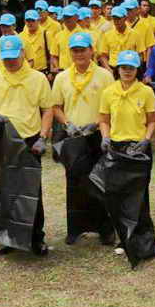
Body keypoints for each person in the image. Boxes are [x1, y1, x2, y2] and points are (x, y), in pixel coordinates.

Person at [0, 34, 53, 256]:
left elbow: (47, 109)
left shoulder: (38, 78)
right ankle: (8, 237)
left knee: (32, 189)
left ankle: (36, 237)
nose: (10, 62)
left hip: (29, 139)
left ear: (23, 53)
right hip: (3, 140)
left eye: (14, 57)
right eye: (6, 58)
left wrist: (43, 137)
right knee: (6, 188)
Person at [51, 32, 115, 245]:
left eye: (83, 50)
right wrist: (67, 124)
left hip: (97, 135)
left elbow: (110, 106)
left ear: (92, 51)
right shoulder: (62, 78)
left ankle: (105, 229)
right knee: (74, 183)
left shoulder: (104, 76)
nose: (79, 54)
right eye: (75, 50)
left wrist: (96, 124)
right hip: (74, 137)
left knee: (99, 181)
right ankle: (75, 228)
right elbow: (56, 106)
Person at [99, 49, 155, 261]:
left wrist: (146, 139)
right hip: (116, 148)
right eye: (123, 67)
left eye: (131, 68)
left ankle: (144, 239)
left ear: (137, 70)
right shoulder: (109, 92)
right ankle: (124, 237)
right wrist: (105, 137)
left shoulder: (146, 92)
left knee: (140, 195)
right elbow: (104, 120)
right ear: (118, 69)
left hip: (138, 148)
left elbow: (152, 120)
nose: (127, 71)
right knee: (118, 194)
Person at [98, 6, 146, 74]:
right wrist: (109, 70)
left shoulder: (135, 34)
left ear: (125, 18)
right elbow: (103, 56)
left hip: (130, 68)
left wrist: (136, 70)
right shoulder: (107, 35)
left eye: (119, 18)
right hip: (113, 69)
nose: (116, 21)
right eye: (114, 19)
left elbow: (140, 55)